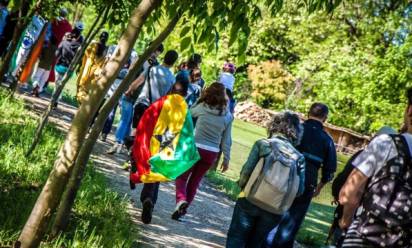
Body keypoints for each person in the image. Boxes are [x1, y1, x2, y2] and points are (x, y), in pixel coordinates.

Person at [339, 89, 412, 248]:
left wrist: (346, 219)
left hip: (367, 234)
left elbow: (348, 193)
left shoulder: (386, 143)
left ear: (410, 110)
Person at [226, 111, 305, 247]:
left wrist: (243, 187)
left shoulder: (263, 144)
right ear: (296, 132)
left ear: (273, 125)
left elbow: (246, 172)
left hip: (250, 199)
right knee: (257, 243)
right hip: (275, 208)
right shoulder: (299, 158)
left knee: (237, 236)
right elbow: (300, 190)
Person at [268, 103, 337, 248]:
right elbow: (330, 169)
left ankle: (265, 243)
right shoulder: (327, 140)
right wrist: (320, 186)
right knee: (292, 221)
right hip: (308, 181)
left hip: (285, 174)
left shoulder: (295, 129)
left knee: (273, 212)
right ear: (325, 118)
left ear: (308, 113)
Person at [173, 82, 233, 221]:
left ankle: (181, 200)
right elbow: (226, 139)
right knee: (194, 182)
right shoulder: (228, 116)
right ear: (224, 97)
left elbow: (189, 113)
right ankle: (182, 212)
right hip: (211, 153)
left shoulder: (202, 107)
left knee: (182, 177)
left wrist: (199, 99)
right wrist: (226, 159)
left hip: (195, 147)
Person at [53, 23, 83, 106]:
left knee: (57, 84)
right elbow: (80, 59)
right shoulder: (80, 46)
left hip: (60, 66)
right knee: (61, 85)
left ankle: (54, 100)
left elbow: (56, 54)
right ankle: (56, 100)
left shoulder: (64, 42)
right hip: (70, 69)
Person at [76, 31, 109, 104]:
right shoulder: (106, 49)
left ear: (99, 37)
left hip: (87, 70)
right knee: (87, 90)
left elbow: (85, 55)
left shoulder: (94, 45)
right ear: (107, 39)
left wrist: (79, 66)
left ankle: (82, 104)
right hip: (95, 73)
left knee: (81, 88)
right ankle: (83, 105)